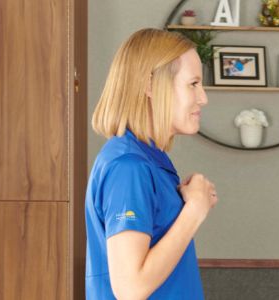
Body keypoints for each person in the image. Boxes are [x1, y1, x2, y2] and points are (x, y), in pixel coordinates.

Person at [85, 28, 217, 300]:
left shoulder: (150, 162)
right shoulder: (128, 167)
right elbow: (131, 289)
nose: (203, 97)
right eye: (193, 84)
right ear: (149, 85)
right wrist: (194, 211)